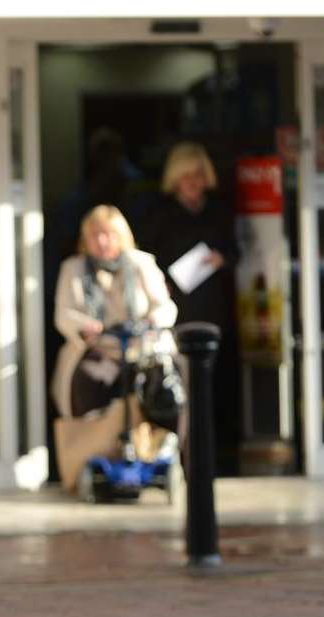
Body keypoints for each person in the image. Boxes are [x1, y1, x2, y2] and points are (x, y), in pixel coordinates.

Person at [138, 141, 240, 473]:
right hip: (176, 309)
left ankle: (210, 455)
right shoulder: (161, 215)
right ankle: (179, 456)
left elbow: (235, 251)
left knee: (210, 384)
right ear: (176, 179)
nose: (194, 183)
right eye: (187, 177)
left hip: (211, 307)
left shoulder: (218, 213)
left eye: (198, 176)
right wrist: (159, 282)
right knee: (177, 385)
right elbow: (145, 257)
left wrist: (221, 258)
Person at [52, 205, 177, 420]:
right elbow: (63, 315)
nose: (101, 242)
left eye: (107, 235)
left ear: (120, 236)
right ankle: (93, 445)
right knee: (87, 384)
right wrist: (84, 328)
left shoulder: (141, 262)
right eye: (94, 236)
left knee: (164, 387)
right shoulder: (73, 267)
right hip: (98, 349)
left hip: (141, 348)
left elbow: (166, 307)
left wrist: (152, 320)